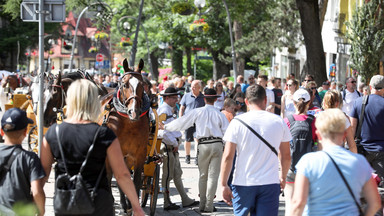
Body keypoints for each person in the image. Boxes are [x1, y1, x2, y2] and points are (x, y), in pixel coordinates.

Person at [40, 79, 145, 216]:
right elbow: (122, 175)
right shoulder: (104, 134)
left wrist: (36, 202)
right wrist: (136, 207)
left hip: (65, 202)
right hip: (98, 202)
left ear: (69, 100)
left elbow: (42, 174)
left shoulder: (53, 133)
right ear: (94, 102)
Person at [290, 109, 381, 216]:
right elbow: (375, 203)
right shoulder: (359, 162)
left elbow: (298, 203)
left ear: (318, 135)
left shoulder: (308, 162)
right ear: (344, 135)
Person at [220, 84, 292, 216]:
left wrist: (224, 184)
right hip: (269, 182)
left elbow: (228, 156)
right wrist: (282, 176)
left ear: (246, 101)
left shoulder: (237, 122)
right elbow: (286, 156)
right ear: (265, 100)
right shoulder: (279, 121)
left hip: (243, 181)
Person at [161, 88, 228, 212]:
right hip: (217, 144)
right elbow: (227, 132)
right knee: (213, 176)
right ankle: (208, 205)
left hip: (203, 144)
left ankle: (202, 204)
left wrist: (165, 127)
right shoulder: (220, 114)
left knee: (203, 175)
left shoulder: (197, 112)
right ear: (215, 99)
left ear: (204, 98)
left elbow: (182, 123)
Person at [157, 87, 199, 210]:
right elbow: (163, 131)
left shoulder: (167, 109)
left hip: (172, 146)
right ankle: (166, 201)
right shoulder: (164, 110)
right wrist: (174, 143)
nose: (176, 100)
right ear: (167, 98)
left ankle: (185, 199)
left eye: (177, 97)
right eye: (174, 98)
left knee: (176, 174)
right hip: (169, 147)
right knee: (167, 176)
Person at [0, 108, 45, 215]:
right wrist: (41, 211)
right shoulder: (30, 158)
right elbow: (36, 191)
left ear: (1, 132)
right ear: (25, 132)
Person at [283, 88, 318, 215]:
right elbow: (319, 146)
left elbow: (282, 147)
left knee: (289, 204)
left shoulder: (287, 121)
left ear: (293, 102)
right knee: (306, 206)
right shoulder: (313, 121)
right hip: (308, 169)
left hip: (290, 167)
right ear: (309, 103)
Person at [350, 75, 384, 180]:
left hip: (362, 150)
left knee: (362, 185)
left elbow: (352, 128)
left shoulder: (359, 102)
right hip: (381, 150)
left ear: (370, 87)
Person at [179, 80, 205, 165]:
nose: (192, 88)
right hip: (188, 120)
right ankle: (187, 155)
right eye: (192, 86)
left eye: (194, 86)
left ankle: (197, 157)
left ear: (199, 88)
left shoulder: (203, 97)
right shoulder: (186, 96)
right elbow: (182, 108)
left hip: (199, 121)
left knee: (197, 139)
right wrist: (180, 118)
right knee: (187, 139)